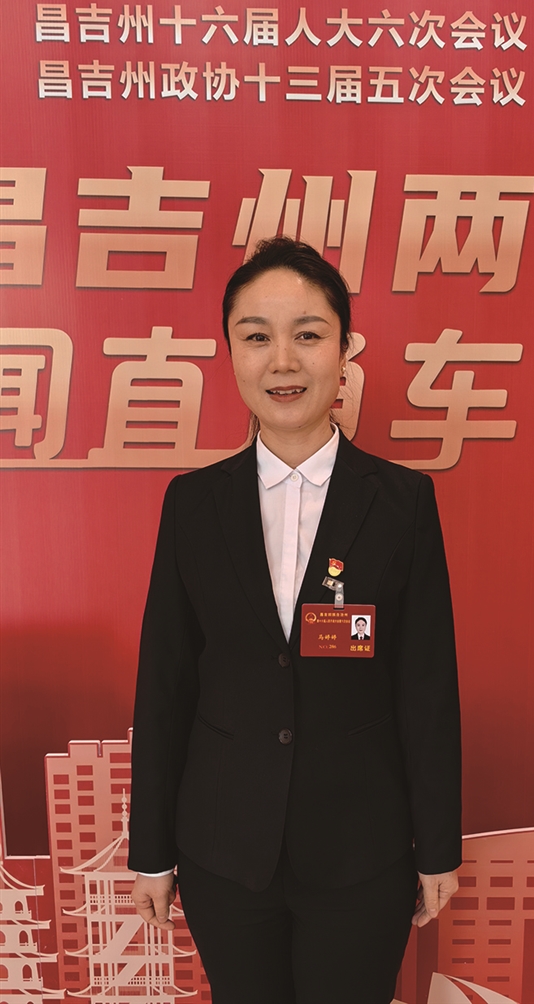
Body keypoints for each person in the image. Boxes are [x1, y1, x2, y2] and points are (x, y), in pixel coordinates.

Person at [128, 237, 462, 1004]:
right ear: (232, 353)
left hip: (362, 851)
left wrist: (437, 844)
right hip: (224, 850)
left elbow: (426, 685)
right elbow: (165, 684)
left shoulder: (402, 504)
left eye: (307, 335)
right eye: (257, 337)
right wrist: (151, 850)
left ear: (344, 352)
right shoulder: (192, 505)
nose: (283, 361)